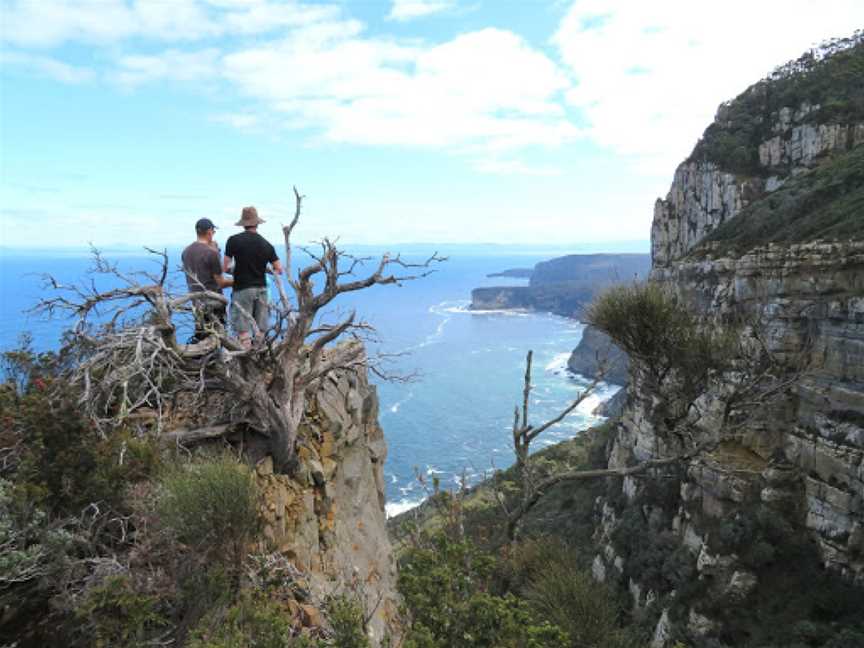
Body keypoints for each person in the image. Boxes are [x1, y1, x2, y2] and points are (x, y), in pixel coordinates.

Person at [223, 206, 282, 344]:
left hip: (242, 289)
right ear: (257, 223)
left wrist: (237, 269)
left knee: (243, 331)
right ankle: (259, 359)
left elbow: (225, 267)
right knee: (260, 330)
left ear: (243, 223)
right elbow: (279, 269)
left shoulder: (233, 240)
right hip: (262, 289)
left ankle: (246, 360)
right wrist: (263, 268)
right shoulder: (266, 244)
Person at [181, 217, 233, 342]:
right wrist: (240, 280)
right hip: (213, 302)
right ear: (210, 232)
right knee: (217, 338)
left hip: (196, 302)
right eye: (213, 232)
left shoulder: (186, 252)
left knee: (201, 336)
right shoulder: (211, 253)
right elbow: (221, 282)